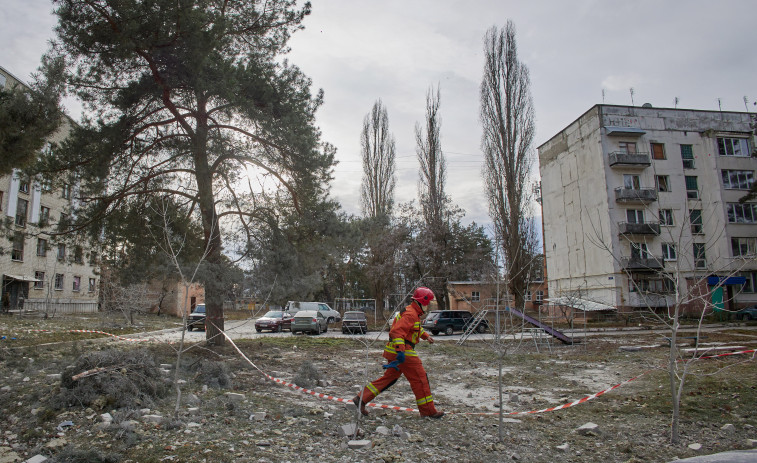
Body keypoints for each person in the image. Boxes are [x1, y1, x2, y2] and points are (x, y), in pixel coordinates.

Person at [350, 287, 444, 418]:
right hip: (404, 351)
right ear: (422, 302)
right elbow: (397, 332)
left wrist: (426, 336)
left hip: (395, 350)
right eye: (427, 304)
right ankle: (428, 411)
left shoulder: (411, 312)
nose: (428, 307)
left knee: (389, 379)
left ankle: (361, 398)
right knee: (420, 379)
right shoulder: (411, 314)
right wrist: (401, 351)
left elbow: (414, 329)